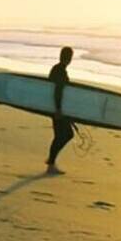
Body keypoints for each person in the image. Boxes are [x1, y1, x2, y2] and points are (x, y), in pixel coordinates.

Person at [46, 46, 75, 175]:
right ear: (69, 58)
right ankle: (51, 163)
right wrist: (58, 110)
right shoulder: (60, 71)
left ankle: (51, 162)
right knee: (65, 135)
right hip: (57, 109)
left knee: (64, 135)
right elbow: (57, 91)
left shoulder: (57, 68)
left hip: (57, 108)